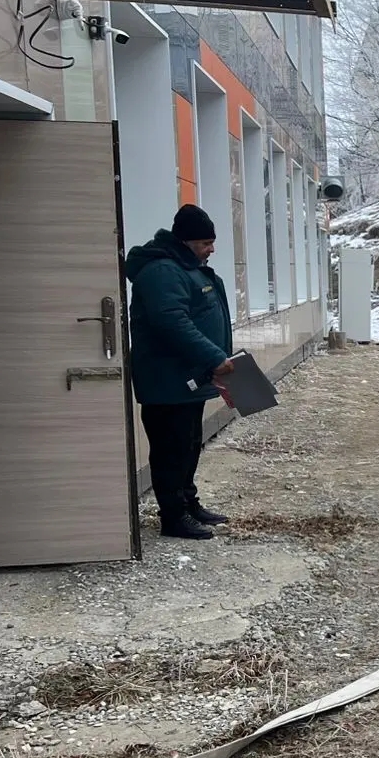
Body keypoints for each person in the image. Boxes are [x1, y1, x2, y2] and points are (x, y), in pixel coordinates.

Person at [126, 204, 235, 540]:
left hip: (190, 378)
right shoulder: (162, 272)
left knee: (189, 444)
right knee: (171, 449)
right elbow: (172, 323)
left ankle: (188, 503)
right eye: (205, 242)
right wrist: (215, 357)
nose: (211, 249)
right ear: (186, 241)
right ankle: (173, 517)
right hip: (167, 380)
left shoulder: (188, 267)